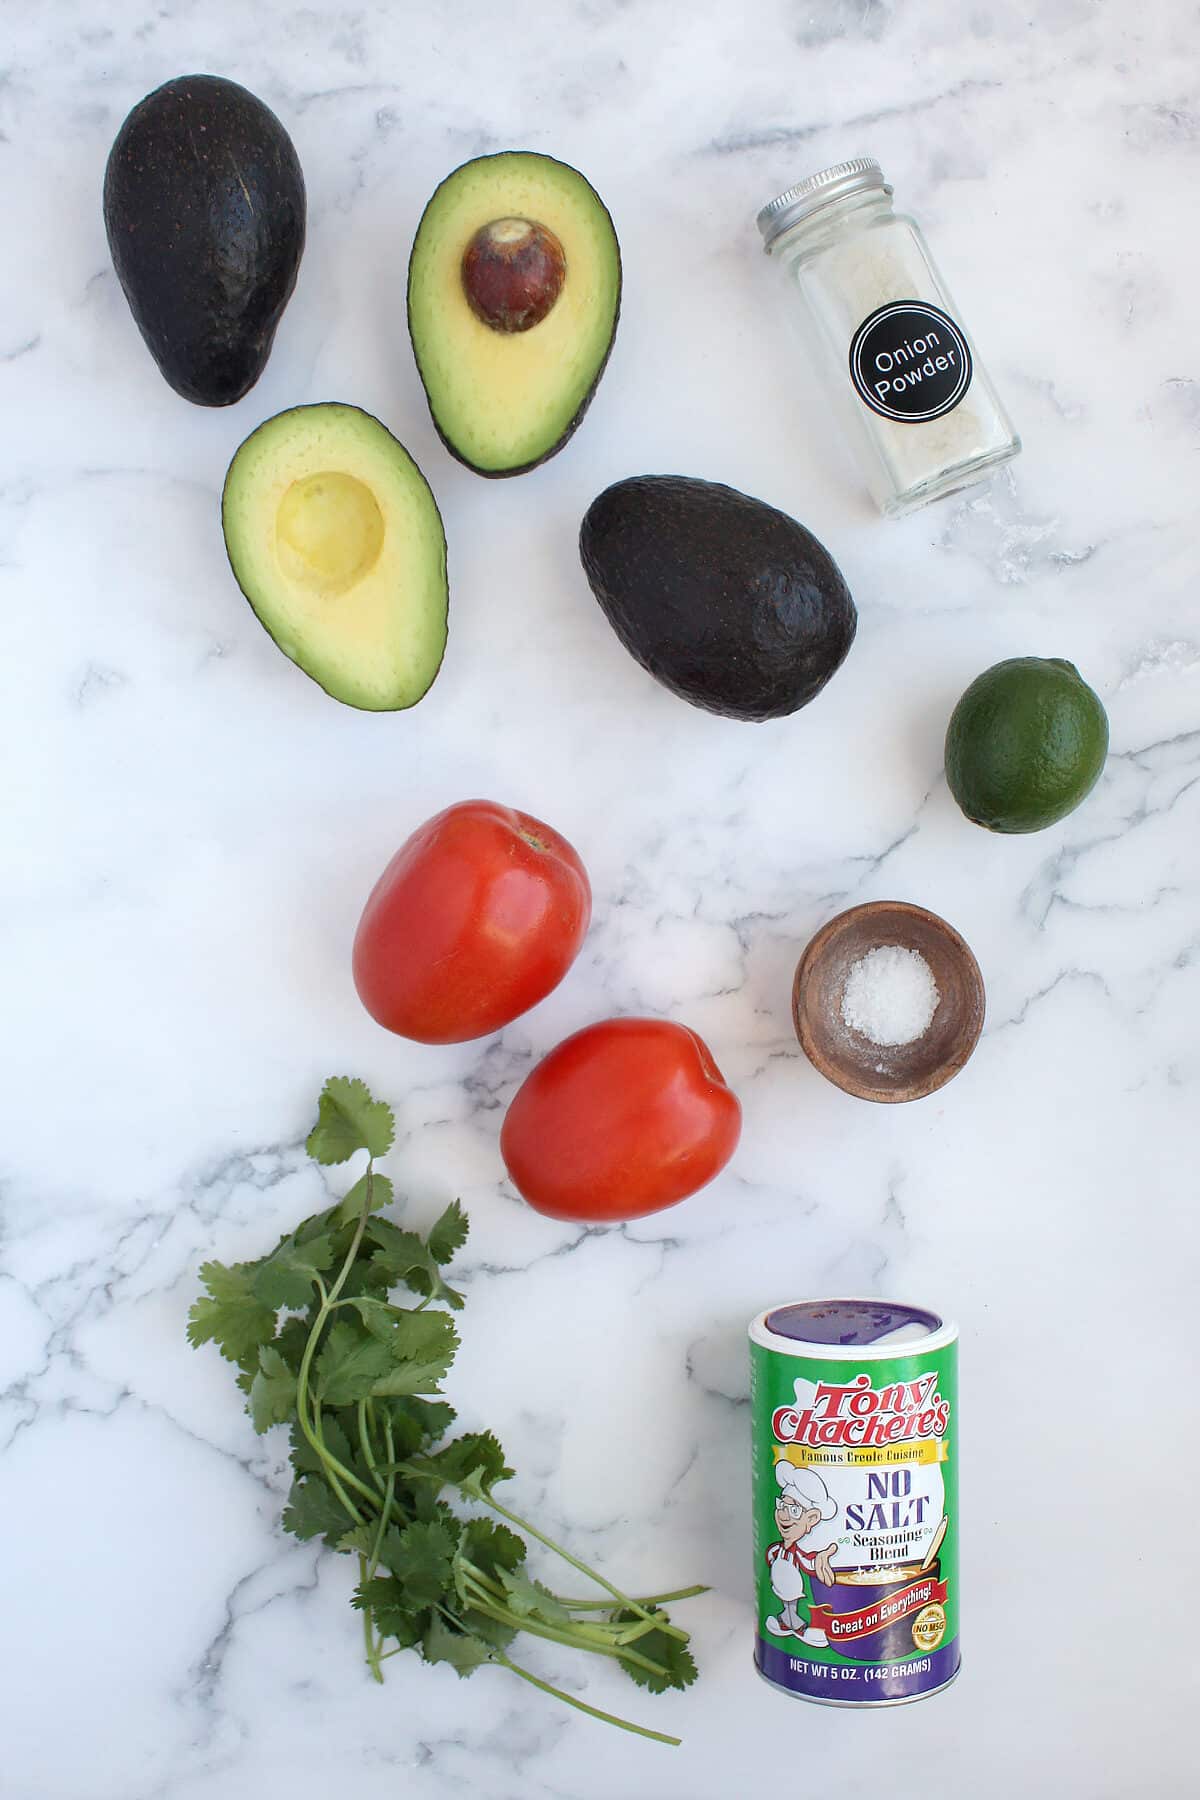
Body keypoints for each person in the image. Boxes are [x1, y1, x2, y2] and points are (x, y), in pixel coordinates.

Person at [764, 1462, 838, 1645]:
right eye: (782, 1506)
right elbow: (770, 1556)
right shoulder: (777, 1549)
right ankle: (785, 1622)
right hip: (779, 1657)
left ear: (812, 1518)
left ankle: (799, 1626)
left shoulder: (800, 1553)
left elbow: (809, 1563)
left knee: (793, 1594)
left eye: (794, 1510)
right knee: (784, 1595)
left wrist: (821, 1559)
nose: (784, 1515)